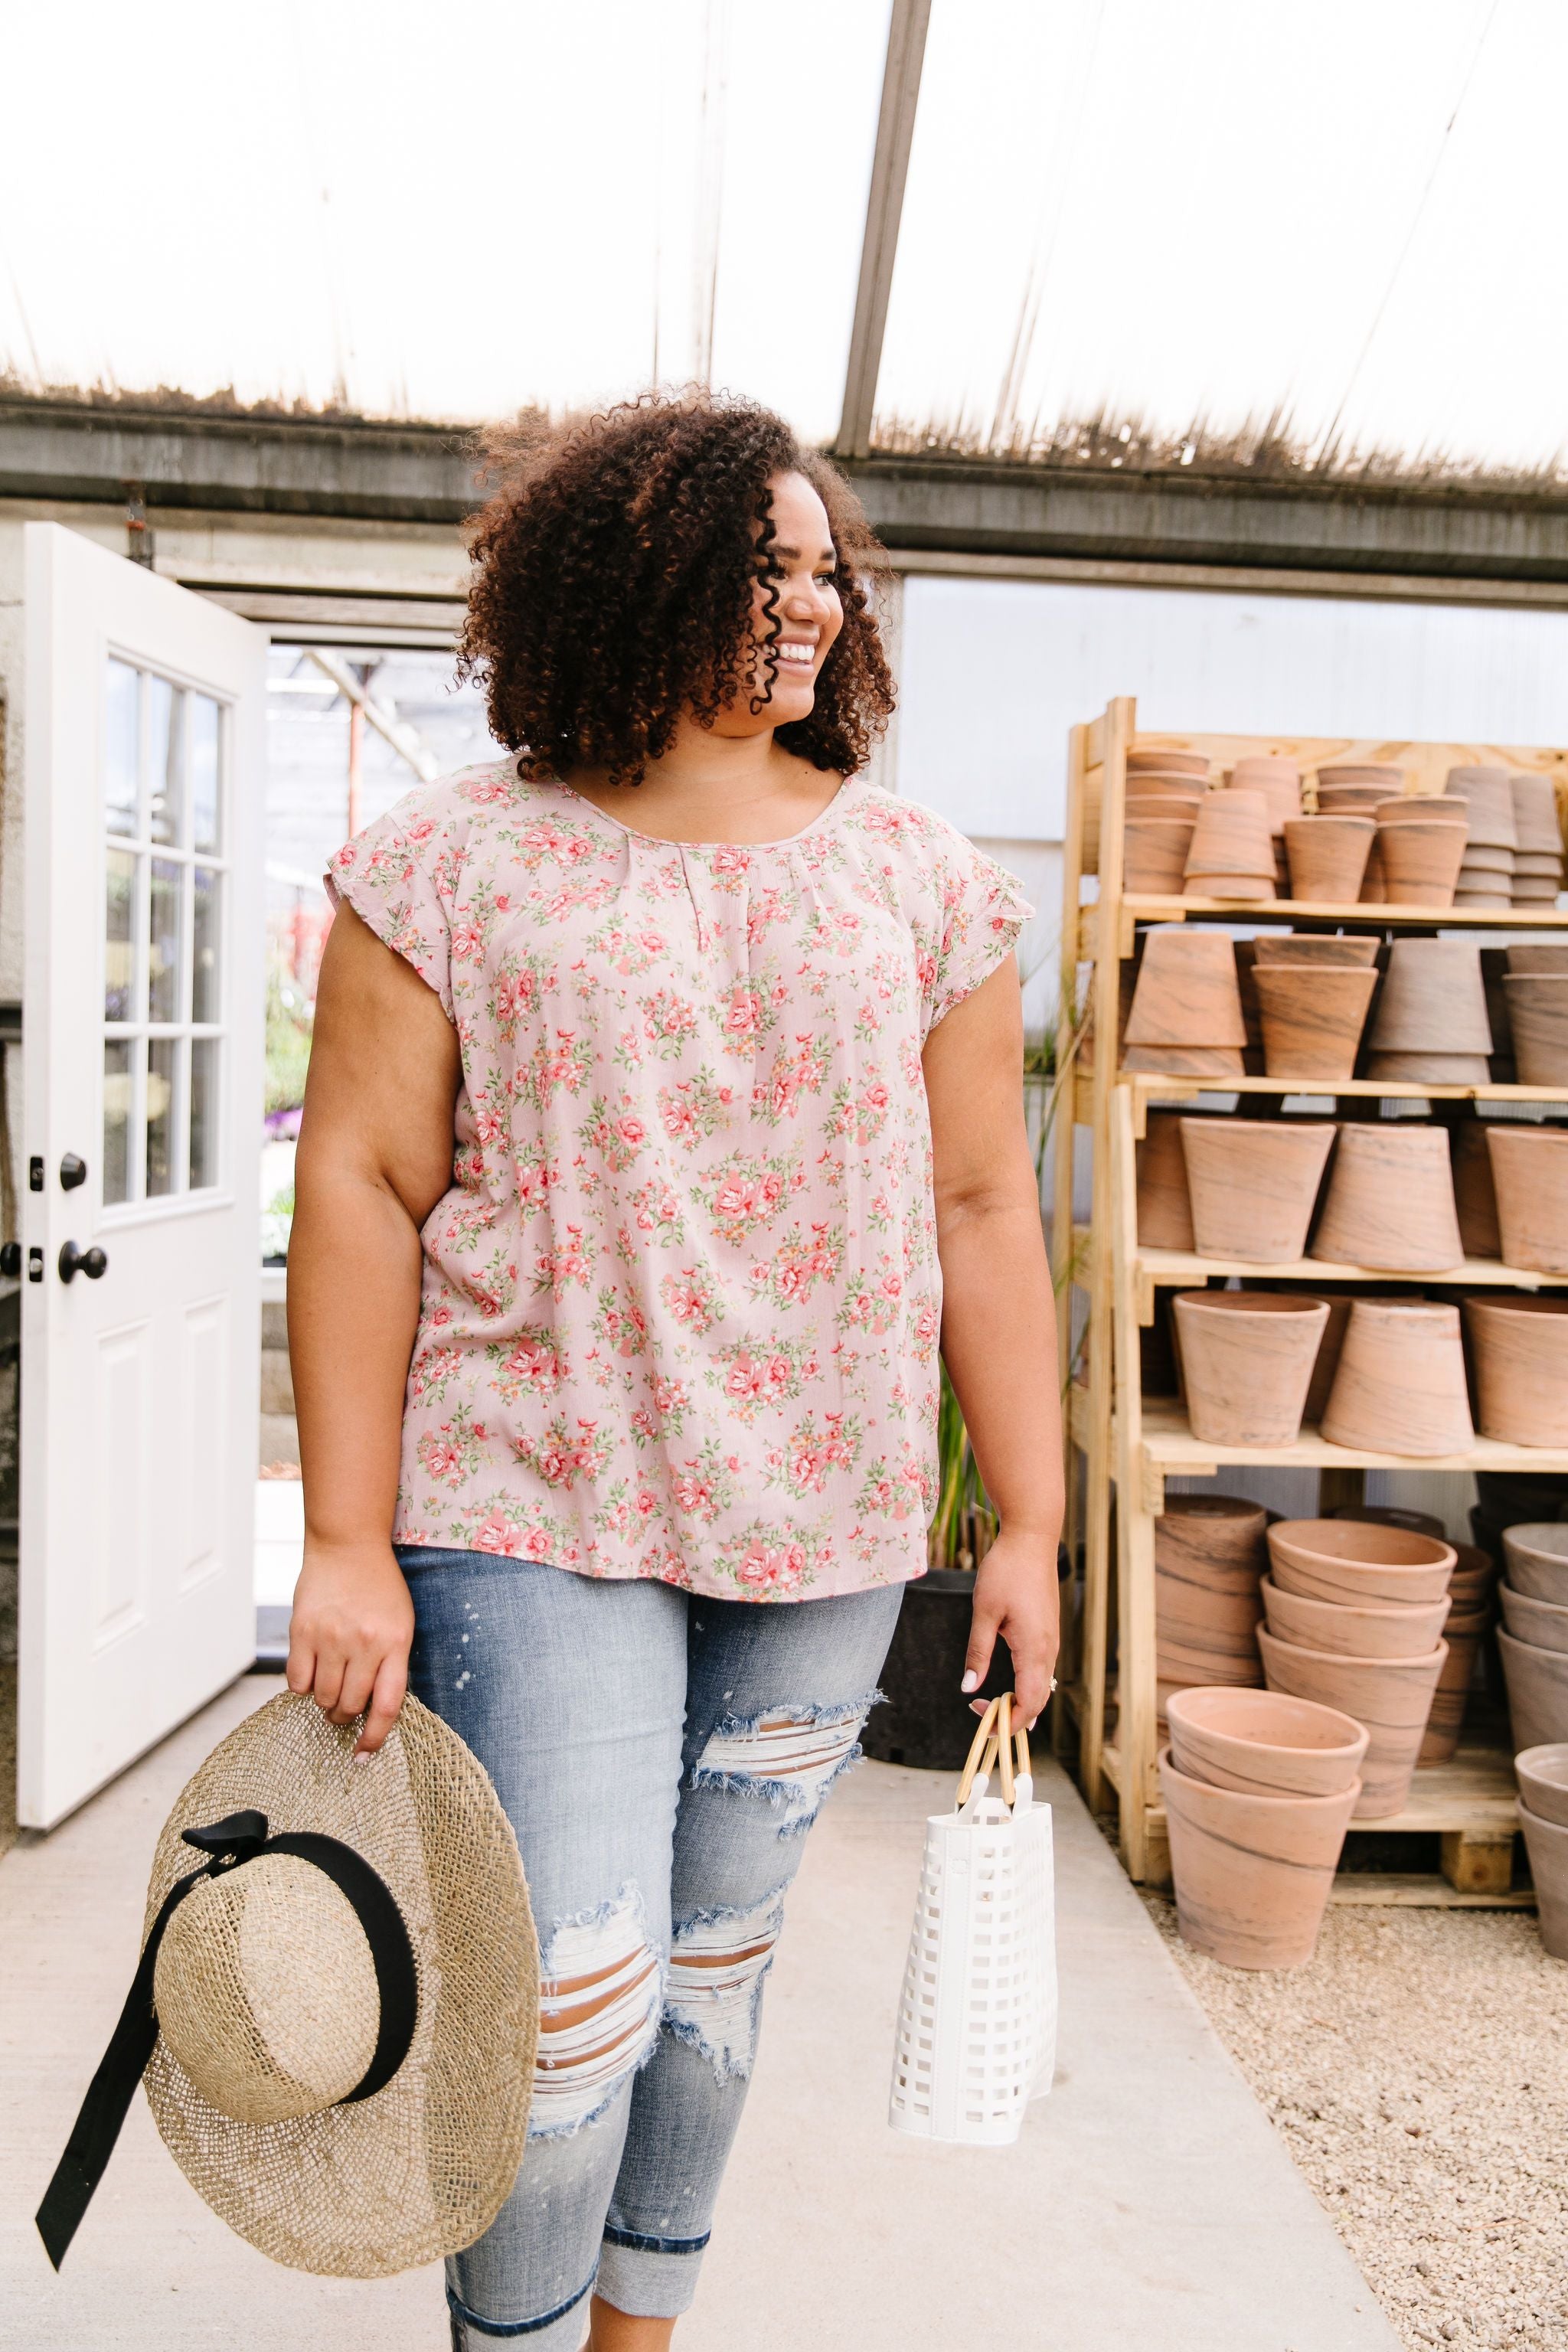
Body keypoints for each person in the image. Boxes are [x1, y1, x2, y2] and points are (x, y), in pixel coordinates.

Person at [286, 391, 1063, 2350]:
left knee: (710, 1992)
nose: (804, 609)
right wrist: (345, 1539)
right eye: (758, 569)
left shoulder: (920, 881)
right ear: (632, 584)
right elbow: (365, 1191)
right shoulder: (451, 867)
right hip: (532, 1499)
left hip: (826, 1517)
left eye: (822, 574)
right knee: (569, 2005)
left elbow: (984, 1205)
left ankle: (640, 2333)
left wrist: (1034, 1526)